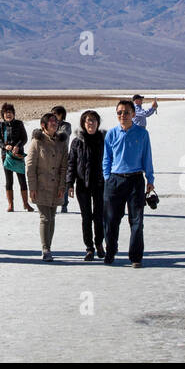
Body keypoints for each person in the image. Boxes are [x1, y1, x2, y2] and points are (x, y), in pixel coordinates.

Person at [101, 100, 155, 267]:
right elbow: (107, 158)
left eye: (126, 112)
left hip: (135, 180)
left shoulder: (142, 134)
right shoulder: (111, 134)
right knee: (111, 220)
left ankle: (136, 257)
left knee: (137, 221)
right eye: (119, 113)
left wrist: (150, 179)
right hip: (115, 180)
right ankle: (110, 252)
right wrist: (107, 177)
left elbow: (147, 157)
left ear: (133, 114)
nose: (122, 115)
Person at [25, 111, 69, 261]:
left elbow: (64, 167)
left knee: (52, 216)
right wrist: (32, 188)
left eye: (56, 121)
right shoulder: (37, 142)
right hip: (41, 186)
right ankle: (46, 249)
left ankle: (48, 246)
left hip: (56, 186)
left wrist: (63, 186)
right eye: (51, 121)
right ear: (43, 125)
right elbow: (30, 167)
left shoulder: (62, 142)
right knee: (45, 217)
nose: (54, 123)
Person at [67, 109, 106, 260]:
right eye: (88, 120)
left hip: (100, 184)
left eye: (93, 120)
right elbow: (71, 163)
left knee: (99, 216)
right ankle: (89, 248)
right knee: (86, 217)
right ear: (83, 123)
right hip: (82, 185)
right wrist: (70, 183)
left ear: (98, 123)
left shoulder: (104, 140)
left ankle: (100, 244)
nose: (91, 123)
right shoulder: (77, 141)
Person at [0, 103, 32, 211]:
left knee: (22, 180)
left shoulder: (19, 124)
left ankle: (26, 204)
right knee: (9, 181)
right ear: (3, 115)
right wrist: (5, 146)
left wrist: (17, 146)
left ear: (14, 114)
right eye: (6, 113)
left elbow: (24, 138)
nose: (8, 114)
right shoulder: (1, 126)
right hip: (6, 156)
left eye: (10, 112)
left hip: (18, 155)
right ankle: (11, 205)